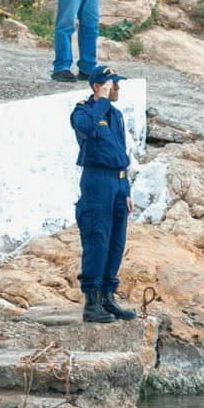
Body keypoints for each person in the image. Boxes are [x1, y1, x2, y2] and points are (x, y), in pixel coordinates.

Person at [71, 66, 138, 324]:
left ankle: (108, 295)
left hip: (117, 182)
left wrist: (126, 189)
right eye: (113, 85)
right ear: (98, 86)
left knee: (115, 242)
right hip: (96, 181)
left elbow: (120, 152)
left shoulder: (116, 115)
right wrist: (100, 100)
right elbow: (87, 128)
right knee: (97, 239)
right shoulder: (84, 111)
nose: (117, 89)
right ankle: (92, 301)